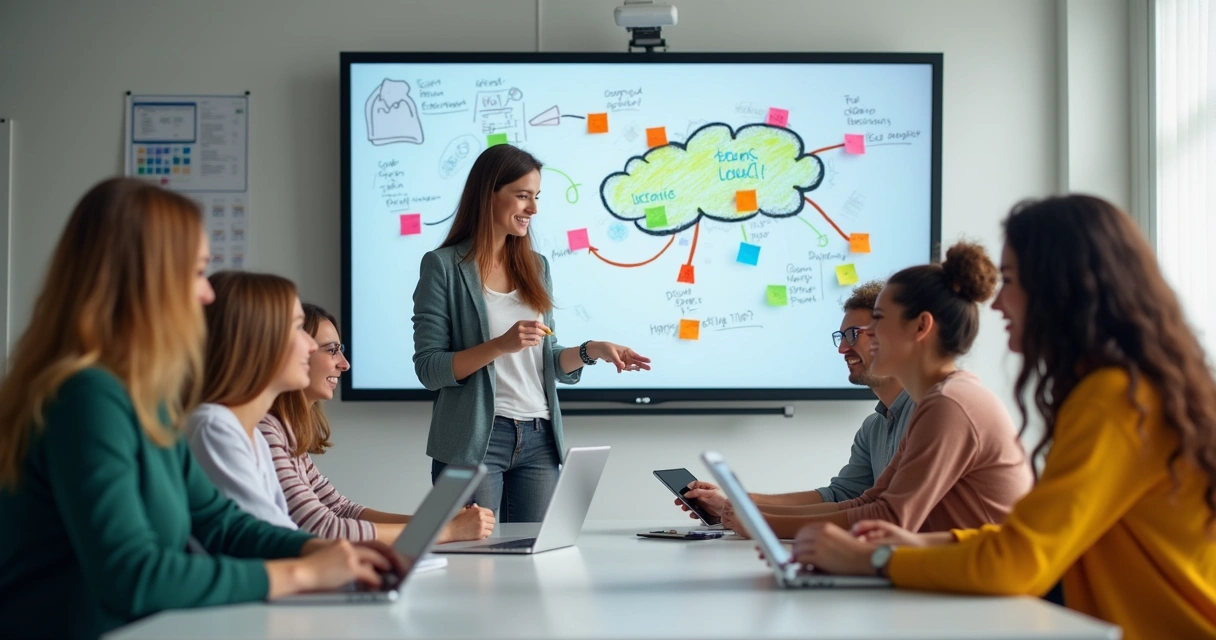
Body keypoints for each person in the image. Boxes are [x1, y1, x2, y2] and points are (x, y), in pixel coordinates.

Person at [791, 196, 1216, 640]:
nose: (996, 305)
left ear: (1060, 287)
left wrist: (873, 560)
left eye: (1010, 280)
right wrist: (918, 544)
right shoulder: (1128, 389)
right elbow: (1026, 537)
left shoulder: (1113, 400)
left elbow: (1019, 561)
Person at [0, 178, 401, 640]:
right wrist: (302, 573)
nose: (207, 294)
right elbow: (133, 575)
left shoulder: (147, 399)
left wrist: (318, 550)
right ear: (143, 282)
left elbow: (220, 523)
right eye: (195, 273)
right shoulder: (86, 397)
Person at [727, 243, 1033, 539]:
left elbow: (889, 518)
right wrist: (756, 518)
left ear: (920, 327)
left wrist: (760, 524)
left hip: (987, 587)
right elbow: (867, 503)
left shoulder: (950, 404)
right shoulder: (937, 401)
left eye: (880, 319)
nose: (870, 333)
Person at [413, 144, 651, 522]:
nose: (533, 209)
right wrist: (499, 345)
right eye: (522, 196)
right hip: (475, 442)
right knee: (477, 566)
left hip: (540, 439)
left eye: (536, 197)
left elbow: (549, 360)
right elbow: (429, 369)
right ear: (487, 194)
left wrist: (593, 350)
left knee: (536, 560)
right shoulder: (442, 266)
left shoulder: (536, 266)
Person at [674, 281, 916, 520]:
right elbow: (839, 496)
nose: (842, 348)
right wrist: (733, 503)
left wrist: (745, 514)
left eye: (853, 334)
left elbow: (885, 512)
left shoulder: (927, 413)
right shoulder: (873, 427)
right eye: (840, 336)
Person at [259, 303, 495, 543]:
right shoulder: (267, 432)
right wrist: (444, 532)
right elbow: (325, 528)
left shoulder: (288, 432)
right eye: (332, 350)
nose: (344, 364)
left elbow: (340, 509)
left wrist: (433, 523)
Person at [184, 271, 318, 530]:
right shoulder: (214, 427)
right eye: (299, 327)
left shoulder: (253, 436)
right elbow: (271, 538)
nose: (311, 345)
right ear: (259, 337)